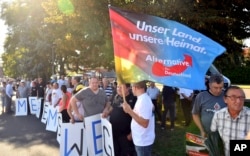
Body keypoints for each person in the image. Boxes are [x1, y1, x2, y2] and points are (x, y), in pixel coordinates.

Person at [211, 86, 250, 156]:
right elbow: (214, 137)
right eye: (233, 97)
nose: (238, 101)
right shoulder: (218, 115)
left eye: (241, 97)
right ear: (225, 99)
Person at [122, 80, 155, 156]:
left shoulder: (144, 100)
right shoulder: (141, 99)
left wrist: (130, 111)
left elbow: (145, 123)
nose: (131, 89)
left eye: (132, 87)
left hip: (143, 141)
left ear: (135, 87)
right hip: (141, 139)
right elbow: (139, 115)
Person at [109, 83, 137, 156]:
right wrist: (107, 112)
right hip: (114, 132)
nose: (118, 89)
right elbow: (113, 107)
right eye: (118, 87)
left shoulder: (133, 98)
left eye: (121, 87)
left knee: (126, 153)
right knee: (116, 152)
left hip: (126, 134)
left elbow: (137, 117)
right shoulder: (116, 96)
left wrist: (131, 133)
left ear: (128, 89)